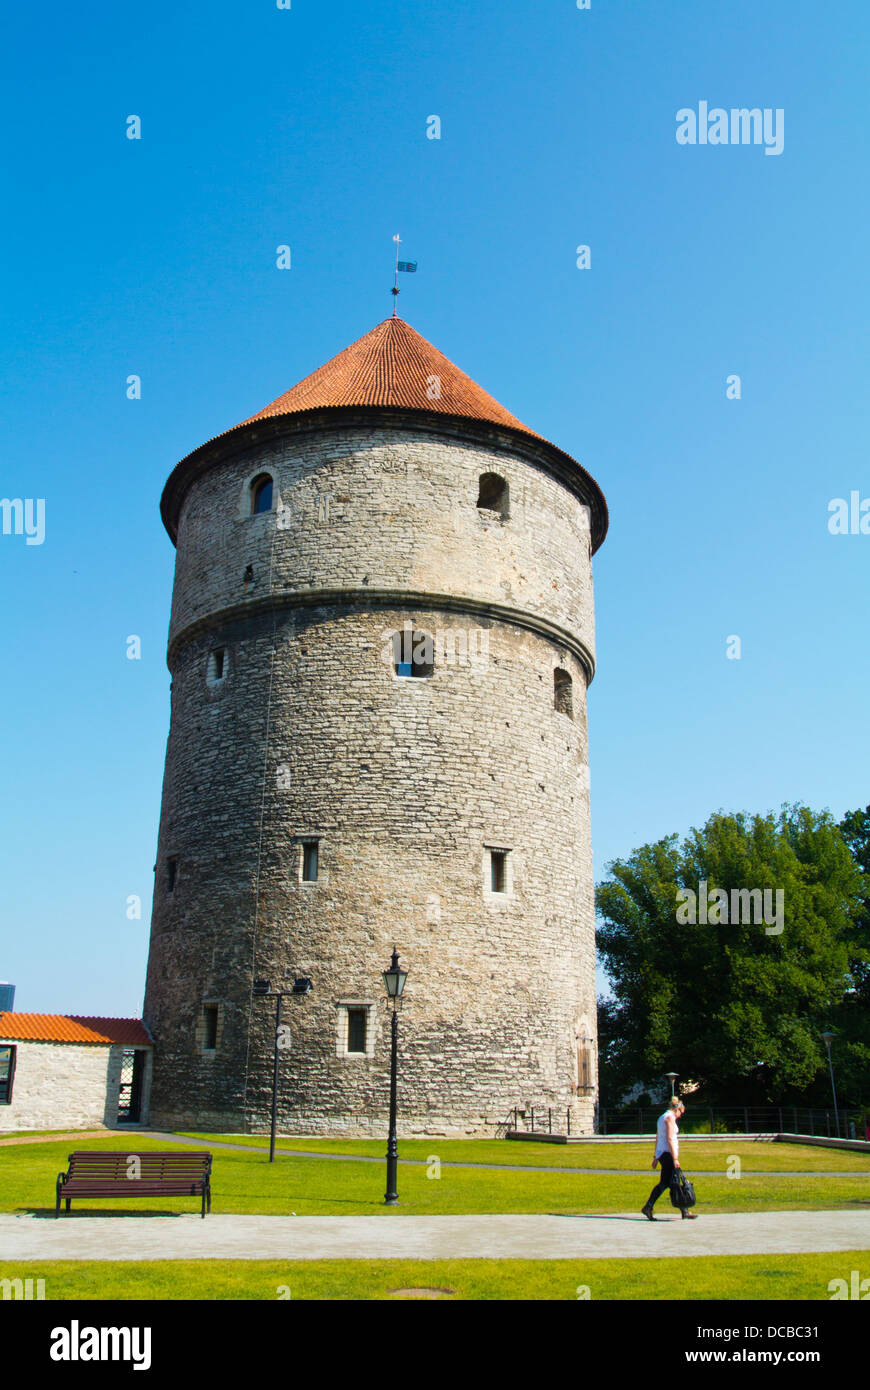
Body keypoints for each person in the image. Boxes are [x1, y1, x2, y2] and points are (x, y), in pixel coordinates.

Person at [641, 1097, 697, 1220]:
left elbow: (658, 1138)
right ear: (677, 1109)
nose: (680, 1115)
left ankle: (650, 1207)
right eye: (681, 1112)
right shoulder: (669, 1118)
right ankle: (650, 1207)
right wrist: (675, 1158)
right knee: (671, 1182)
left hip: (662, 1154)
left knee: (670, 1182)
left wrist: (656, 1156)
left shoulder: (661, 1118)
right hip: (668, 1154)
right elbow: (670, 1138)